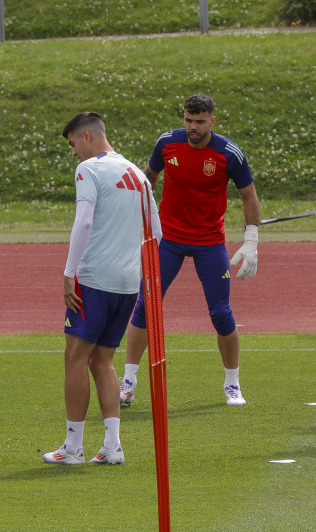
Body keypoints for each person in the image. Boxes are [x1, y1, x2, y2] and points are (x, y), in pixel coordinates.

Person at [120, 94, 260, 408]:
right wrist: (137, 215)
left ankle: (232, 384)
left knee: (221, 313)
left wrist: (251, 239)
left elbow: (248, 195)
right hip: (168, 239)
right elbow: (149, 179)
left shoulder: (228, 154)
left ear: (212, 120)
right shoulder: (167, 144)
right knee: (146, 305)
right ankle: (128, 381)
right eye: (188, 120)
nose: (192, 127)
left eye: (199, 121)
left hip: (209, 242)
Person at [42, 111, 160, 466]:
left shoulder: (89, 170)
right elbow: (156, 229)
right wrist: (147, 277)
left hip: (94, 279)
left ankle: (73, 448)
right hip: (128, 283)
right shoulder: (138, 174)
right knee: (103, 359)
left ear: (87, 137)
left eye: (73, 143)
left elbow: (85, 220)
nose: (73, 152)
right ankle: (112, 446)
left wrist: (68, 272)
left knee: (75, 359)